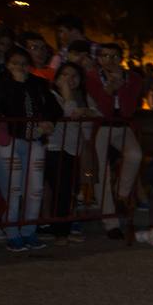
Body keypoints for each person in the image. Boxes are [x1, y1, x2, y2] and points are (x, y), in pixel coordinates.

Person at [0, 48, 61, 251]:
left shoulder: (38, 84)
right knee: (12, 189)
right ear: (7, 65)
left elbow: (53, 107)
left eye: (23, 63)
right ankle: (12, 232)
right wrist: (16, 83)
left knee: (36, 188)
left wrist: (48, 121)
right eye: (15, 62)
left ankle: (29, 231)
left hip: (36, 140)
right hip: (10, 141)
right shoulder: (1, 84)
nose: (19, 67)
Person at [84, 42, 145, 239]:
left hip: (122, 125)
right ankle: (110, 222)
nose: (110, 61)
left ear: (121, 59)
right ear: (99, 59)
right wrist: (110, 89)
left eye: (114, 56)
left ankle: (122, 195)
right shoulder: (92, 78)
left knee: (135, 154)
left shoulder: (133, 78)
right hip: (102, 126)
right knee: (101, 172)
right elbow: (105, 108)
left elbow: (128, 110)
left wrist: (122, 87)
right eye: (105, 56)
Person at [44, 62, 96, 240]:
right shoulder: (50, 95)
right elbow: (69, 114)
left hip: (75, 149)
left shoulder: (84, 97)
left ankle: (62, 227)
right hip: (54, 147)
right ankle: (60, 231)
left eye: (74, 76)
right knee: (60, 189)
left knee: (69, 189)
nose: (69, 79)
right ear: (57, 78)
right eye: (65, 75)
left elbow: (95, 118)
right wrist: (67, 95)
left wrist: (87, 111)